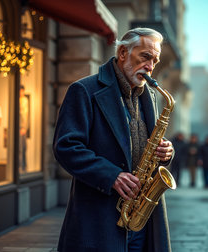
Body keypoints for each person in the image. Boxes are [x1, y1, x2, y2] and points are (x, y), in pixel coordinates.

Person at [53, 28, 174, 252]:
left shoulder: (150, 96)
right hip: (99, 218)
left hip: (141, 221)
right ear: (122, 53)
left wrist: (165, 151)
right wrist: (112, 176)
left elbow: (148, 142)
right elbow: (66, 147)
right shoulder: (83, 90)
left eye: (154, 61)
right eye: (145, 57)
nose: (150, 66)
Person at [19, 85, 29, 172]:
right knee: (20, 147)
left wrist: (24, 127)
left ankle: (23, 167)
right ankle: (20, 166)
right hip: (19, 127)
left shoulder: (24, 100)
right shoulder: (18, 100)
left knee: (23, 147)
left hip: (22, 127)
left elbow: (25, 115)